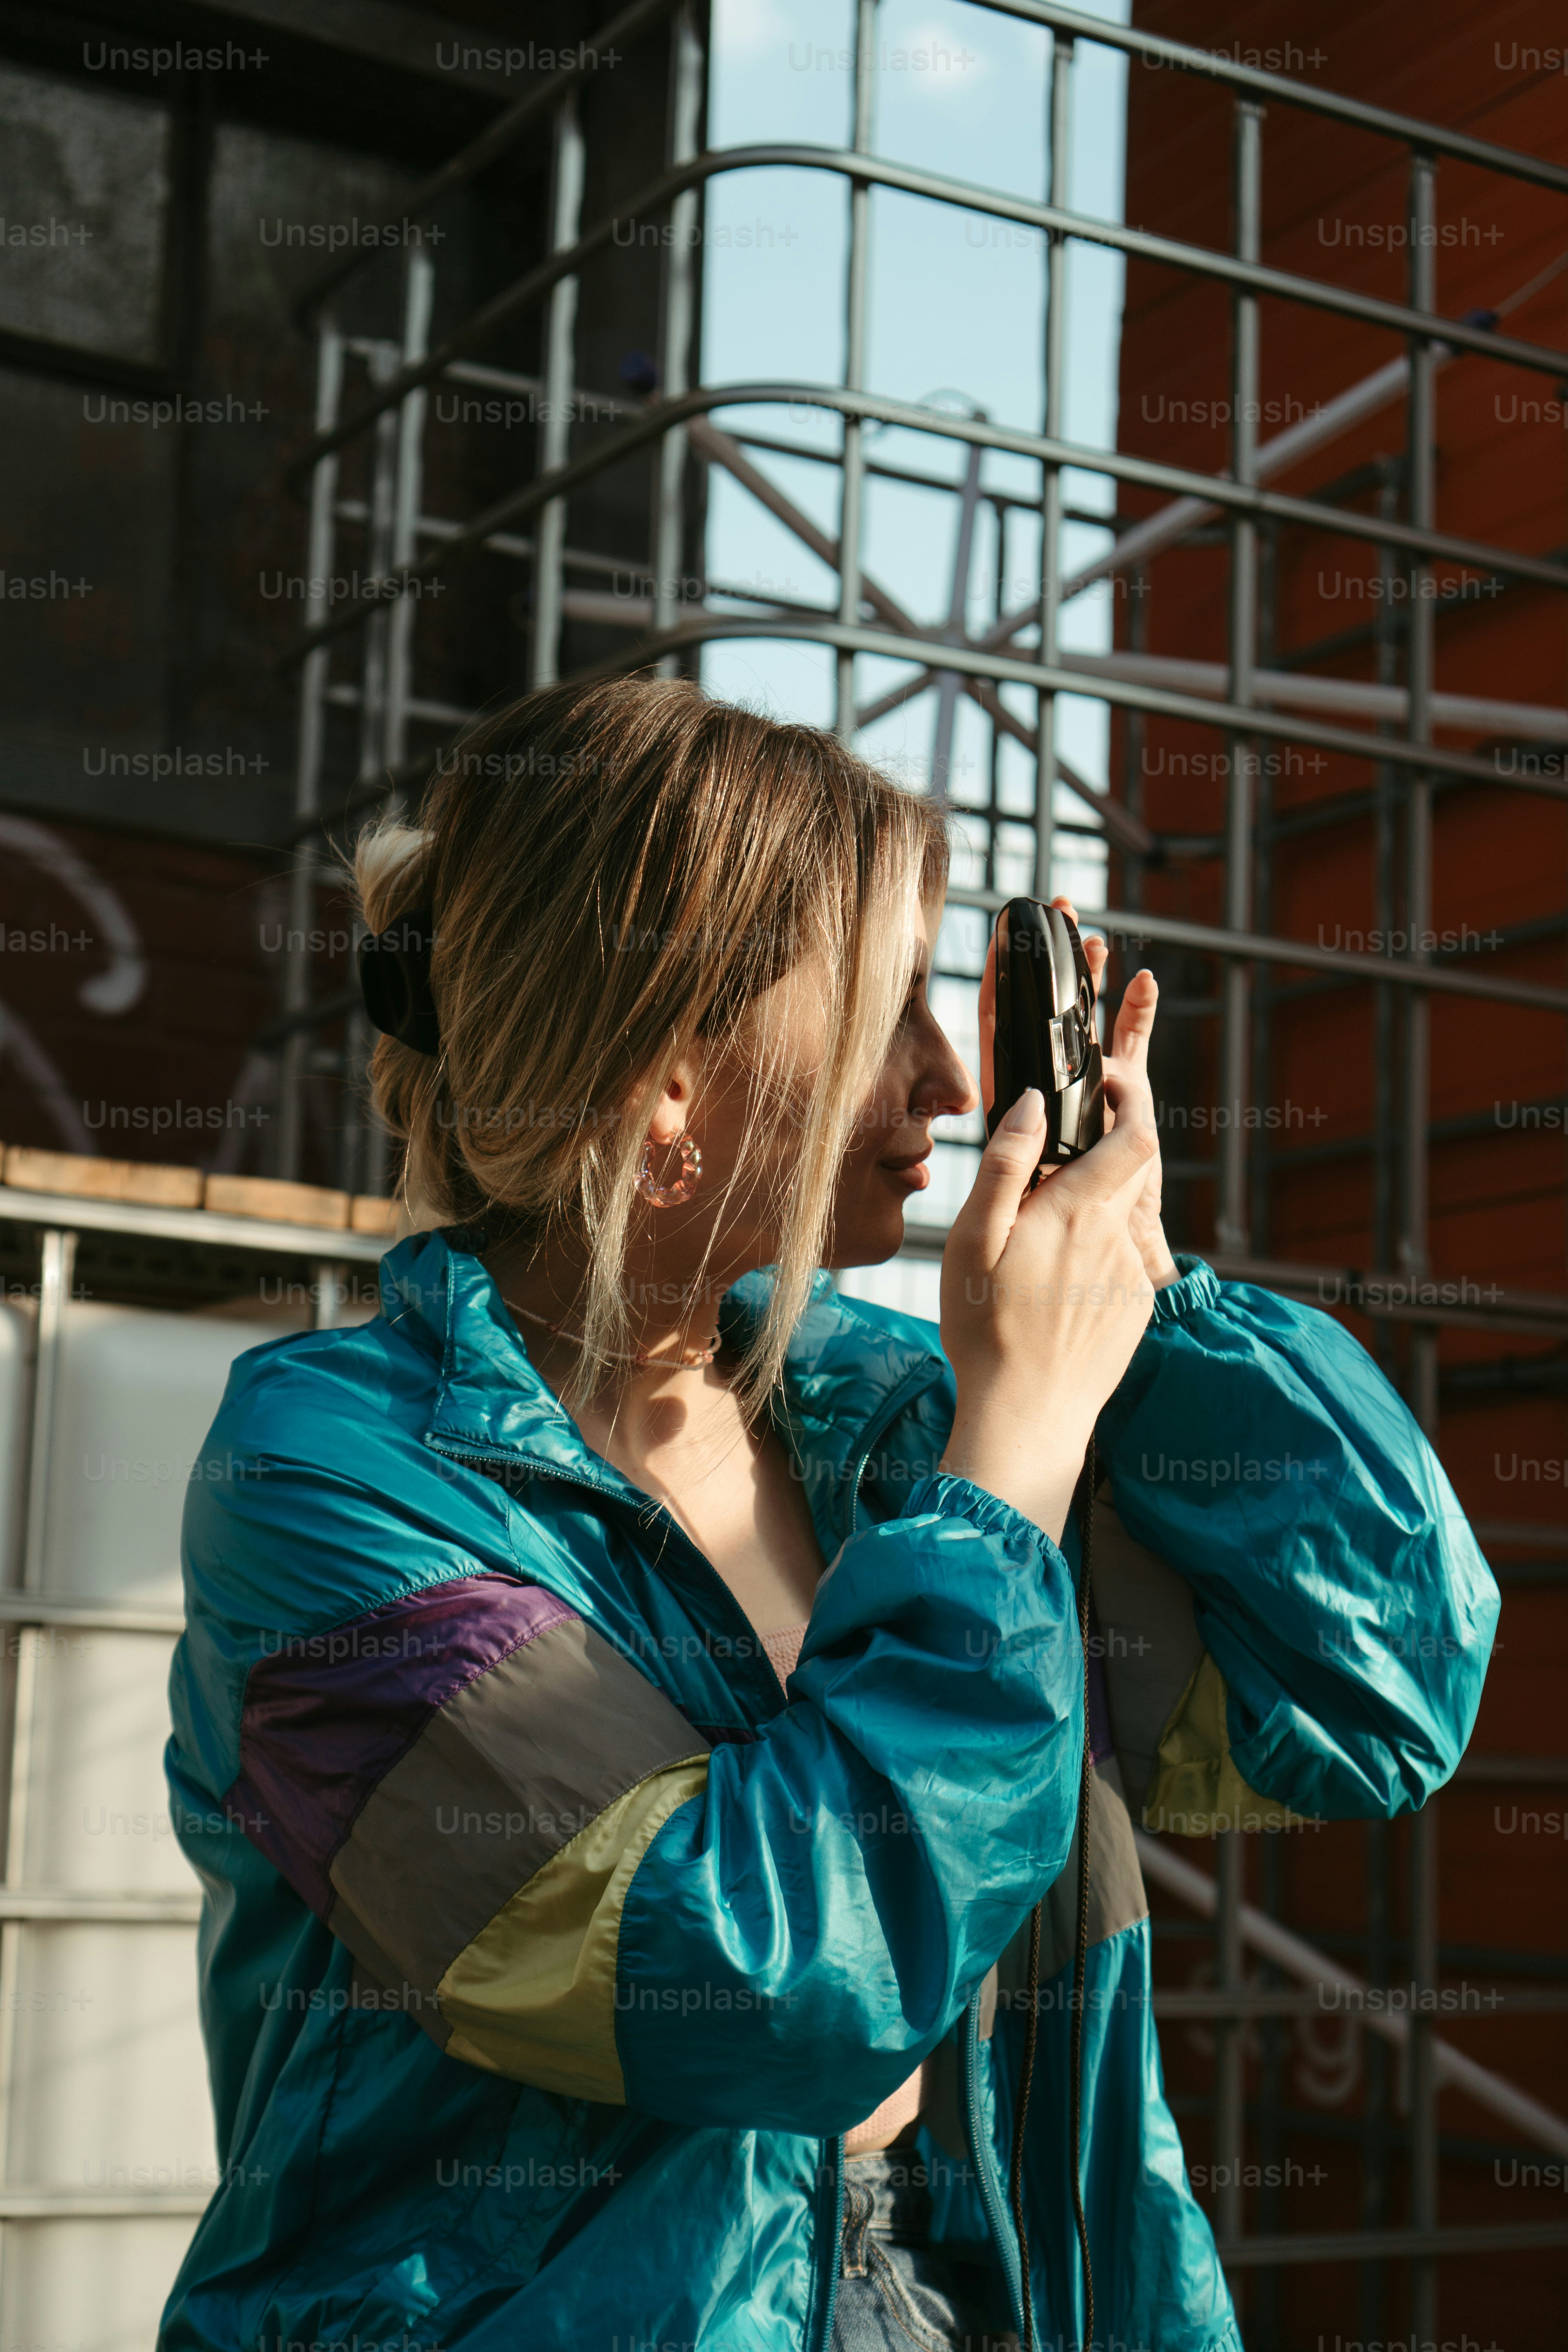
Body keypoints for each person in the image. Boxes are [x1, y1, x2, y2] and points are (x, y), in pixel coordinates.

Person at [160, 677, 1495, 2352]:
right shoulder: (331, 1478)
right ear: (664, 1081)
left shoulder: (886, 1419)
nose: (948, 1080)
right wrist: (1013, 1460)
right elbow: (751, 1984)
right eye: (885, 1012)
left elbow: (1373, 1694)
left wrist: (1145, 1320)